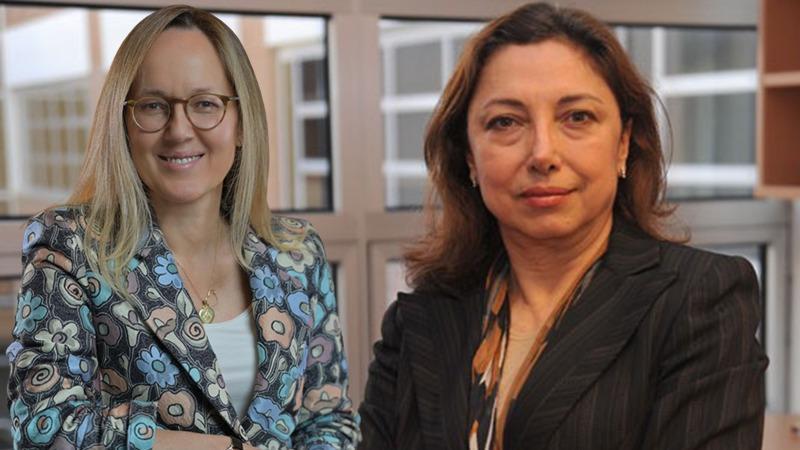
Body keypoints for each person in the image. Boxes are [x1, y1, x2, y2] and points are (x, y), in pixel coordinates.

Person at [358, 3, 767, 450]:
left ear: (623, 143)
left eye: (577, 117)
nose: (543, 154)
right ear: (470, 157)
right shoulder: (419, 319)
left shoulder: (700, 299)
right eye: (505, 122)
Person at [7, 5, 359, 450]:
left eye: (205, 104)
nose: (179, 130)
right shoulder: (70, 246)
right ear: (124, 124)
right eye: (154, 106)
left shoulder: (299, 253)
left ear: (241, 124)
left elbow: (327, 420)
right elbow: (45, 426)